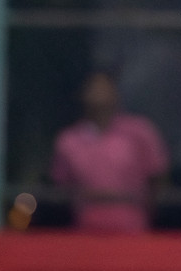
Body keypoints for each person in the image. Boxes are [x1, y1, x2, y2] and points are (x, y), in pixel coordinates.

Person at [51, 70, 170, 233]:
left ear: (115, 93)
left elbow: (158, 176)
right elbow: (61, 187)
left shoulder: (140, 132)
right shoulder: (68, 140)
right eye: (93, 88)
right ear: (82, 94)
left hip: (134, 230)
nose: (99, 94)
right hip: (84, 230)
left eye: (104, 88)